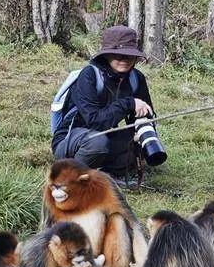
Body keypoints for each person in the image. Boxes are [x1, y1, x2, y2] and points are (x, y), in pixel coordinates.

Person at [51, 25, 157, 178]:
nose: (124, 60)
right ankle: (72, 178)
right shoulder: (89, 75)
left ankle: (108, 174)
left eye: (129, 55)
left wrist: (142, 135)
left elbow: (146, 116)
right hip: (71, 140)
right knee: (97, 142)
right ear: (107, 55)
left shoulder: (136, 78)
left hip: (106, 135)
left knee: (142, 139)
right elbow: (94, 122)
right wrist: (129, 103)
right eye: (118, 55)